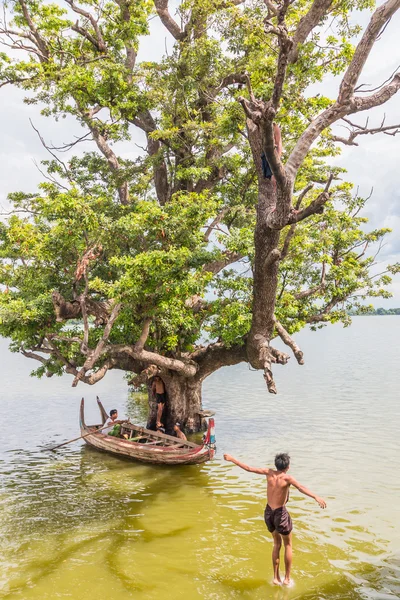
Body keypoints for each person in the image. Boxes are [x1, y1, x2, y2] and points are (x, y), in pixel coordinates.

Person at [223, 452, 326, 587]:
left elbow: (248, 468)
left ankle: (276, 578)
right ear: (287, 467)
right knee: (288, 545)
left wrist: (232, 459)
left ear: (276, 465)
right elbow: (301, 488)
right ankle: (287, 579)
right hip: (280, 513)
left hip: (268, 512)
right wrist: (316, 497)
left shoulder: (268, 472)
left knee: (276, 544)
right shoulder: (287, 478)